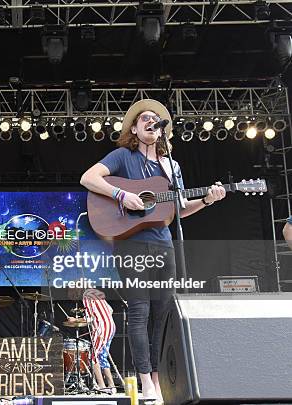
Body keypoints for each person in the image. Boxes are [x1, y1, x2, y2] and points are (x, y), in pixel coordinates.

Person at [80, 99, 226, 402]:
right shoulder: (123, 156)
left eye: (156, 120)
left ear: (162, 131)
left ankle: (159, 380)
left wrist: (209, 200)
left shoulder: (171, 166)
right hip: (131, 243)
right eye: (144, 119)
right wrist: (122, 195)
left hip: (162, 244)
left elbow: (179, 210)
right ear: (134, 127)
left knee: (162, 313)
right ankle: (145, 380)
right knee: (139, 310)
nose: (151, 122)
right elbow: (88, 178)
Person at [82, 289, 116, 392]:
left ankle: (101, 385)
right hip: (111, 326)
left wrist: (75, 320)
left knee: (93, 356)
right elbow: (110, 310)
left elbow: (89, 317)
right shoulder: (96, 294)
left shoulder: (86, 296)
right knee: (102, 356)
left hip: (101, 328)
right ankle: (111, 386)